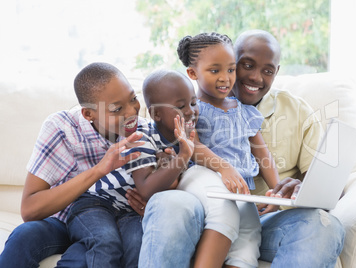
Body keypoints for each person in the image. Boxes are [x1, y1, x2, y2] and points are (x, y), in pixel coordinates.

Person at [0, 62, 205, 268]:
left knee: (92, 255)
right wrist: (100, 169)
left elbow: (155, 184)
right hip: (68, 218)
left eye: (133, 99)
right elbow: (29, 210)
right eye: (117, 109)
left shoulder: (143, 132)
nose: (132, 112)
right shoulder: (62, 128)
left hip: (117, 221)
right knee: (24, 237)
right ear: (89, 114)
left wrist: (153, 201)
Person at [231, 29, 346, 267]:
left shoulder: (297, 111)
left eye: (267, 71)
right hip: (215, 220)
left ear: (277, 73)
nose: (255, 77)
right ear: (231, 62)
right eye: (247, 65)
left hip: (269, 224)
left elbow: (327, 187)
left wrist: (301, 188)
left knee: (324, 226)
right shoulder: (195, 106)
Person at [124, 69, 257, 268]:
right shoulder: (142, 138)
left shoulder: (189, 131)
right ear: (156, 114)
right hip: (178, 199)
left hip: (195, 195)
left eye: (193, 103)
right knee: (224, 206)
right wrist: (182, 157)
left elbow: (198, 150)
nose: (190, 111)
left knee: (248, 215)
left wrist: (223, 167)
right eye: (180, 106)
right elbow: (146, 189)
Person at [177, 32, 280, 268]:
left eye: (231, 70)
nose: (225, 78)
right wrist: (224, 168)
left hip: (240, 188)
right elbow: (194, 146)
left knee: (249, 239)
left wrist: (277, 190)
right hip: (208, 181)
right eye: (215, 71)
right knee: (226, 218)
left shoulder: (245, 111)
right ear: (193, 73)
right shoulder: (194, 110)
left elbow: (262, 154)